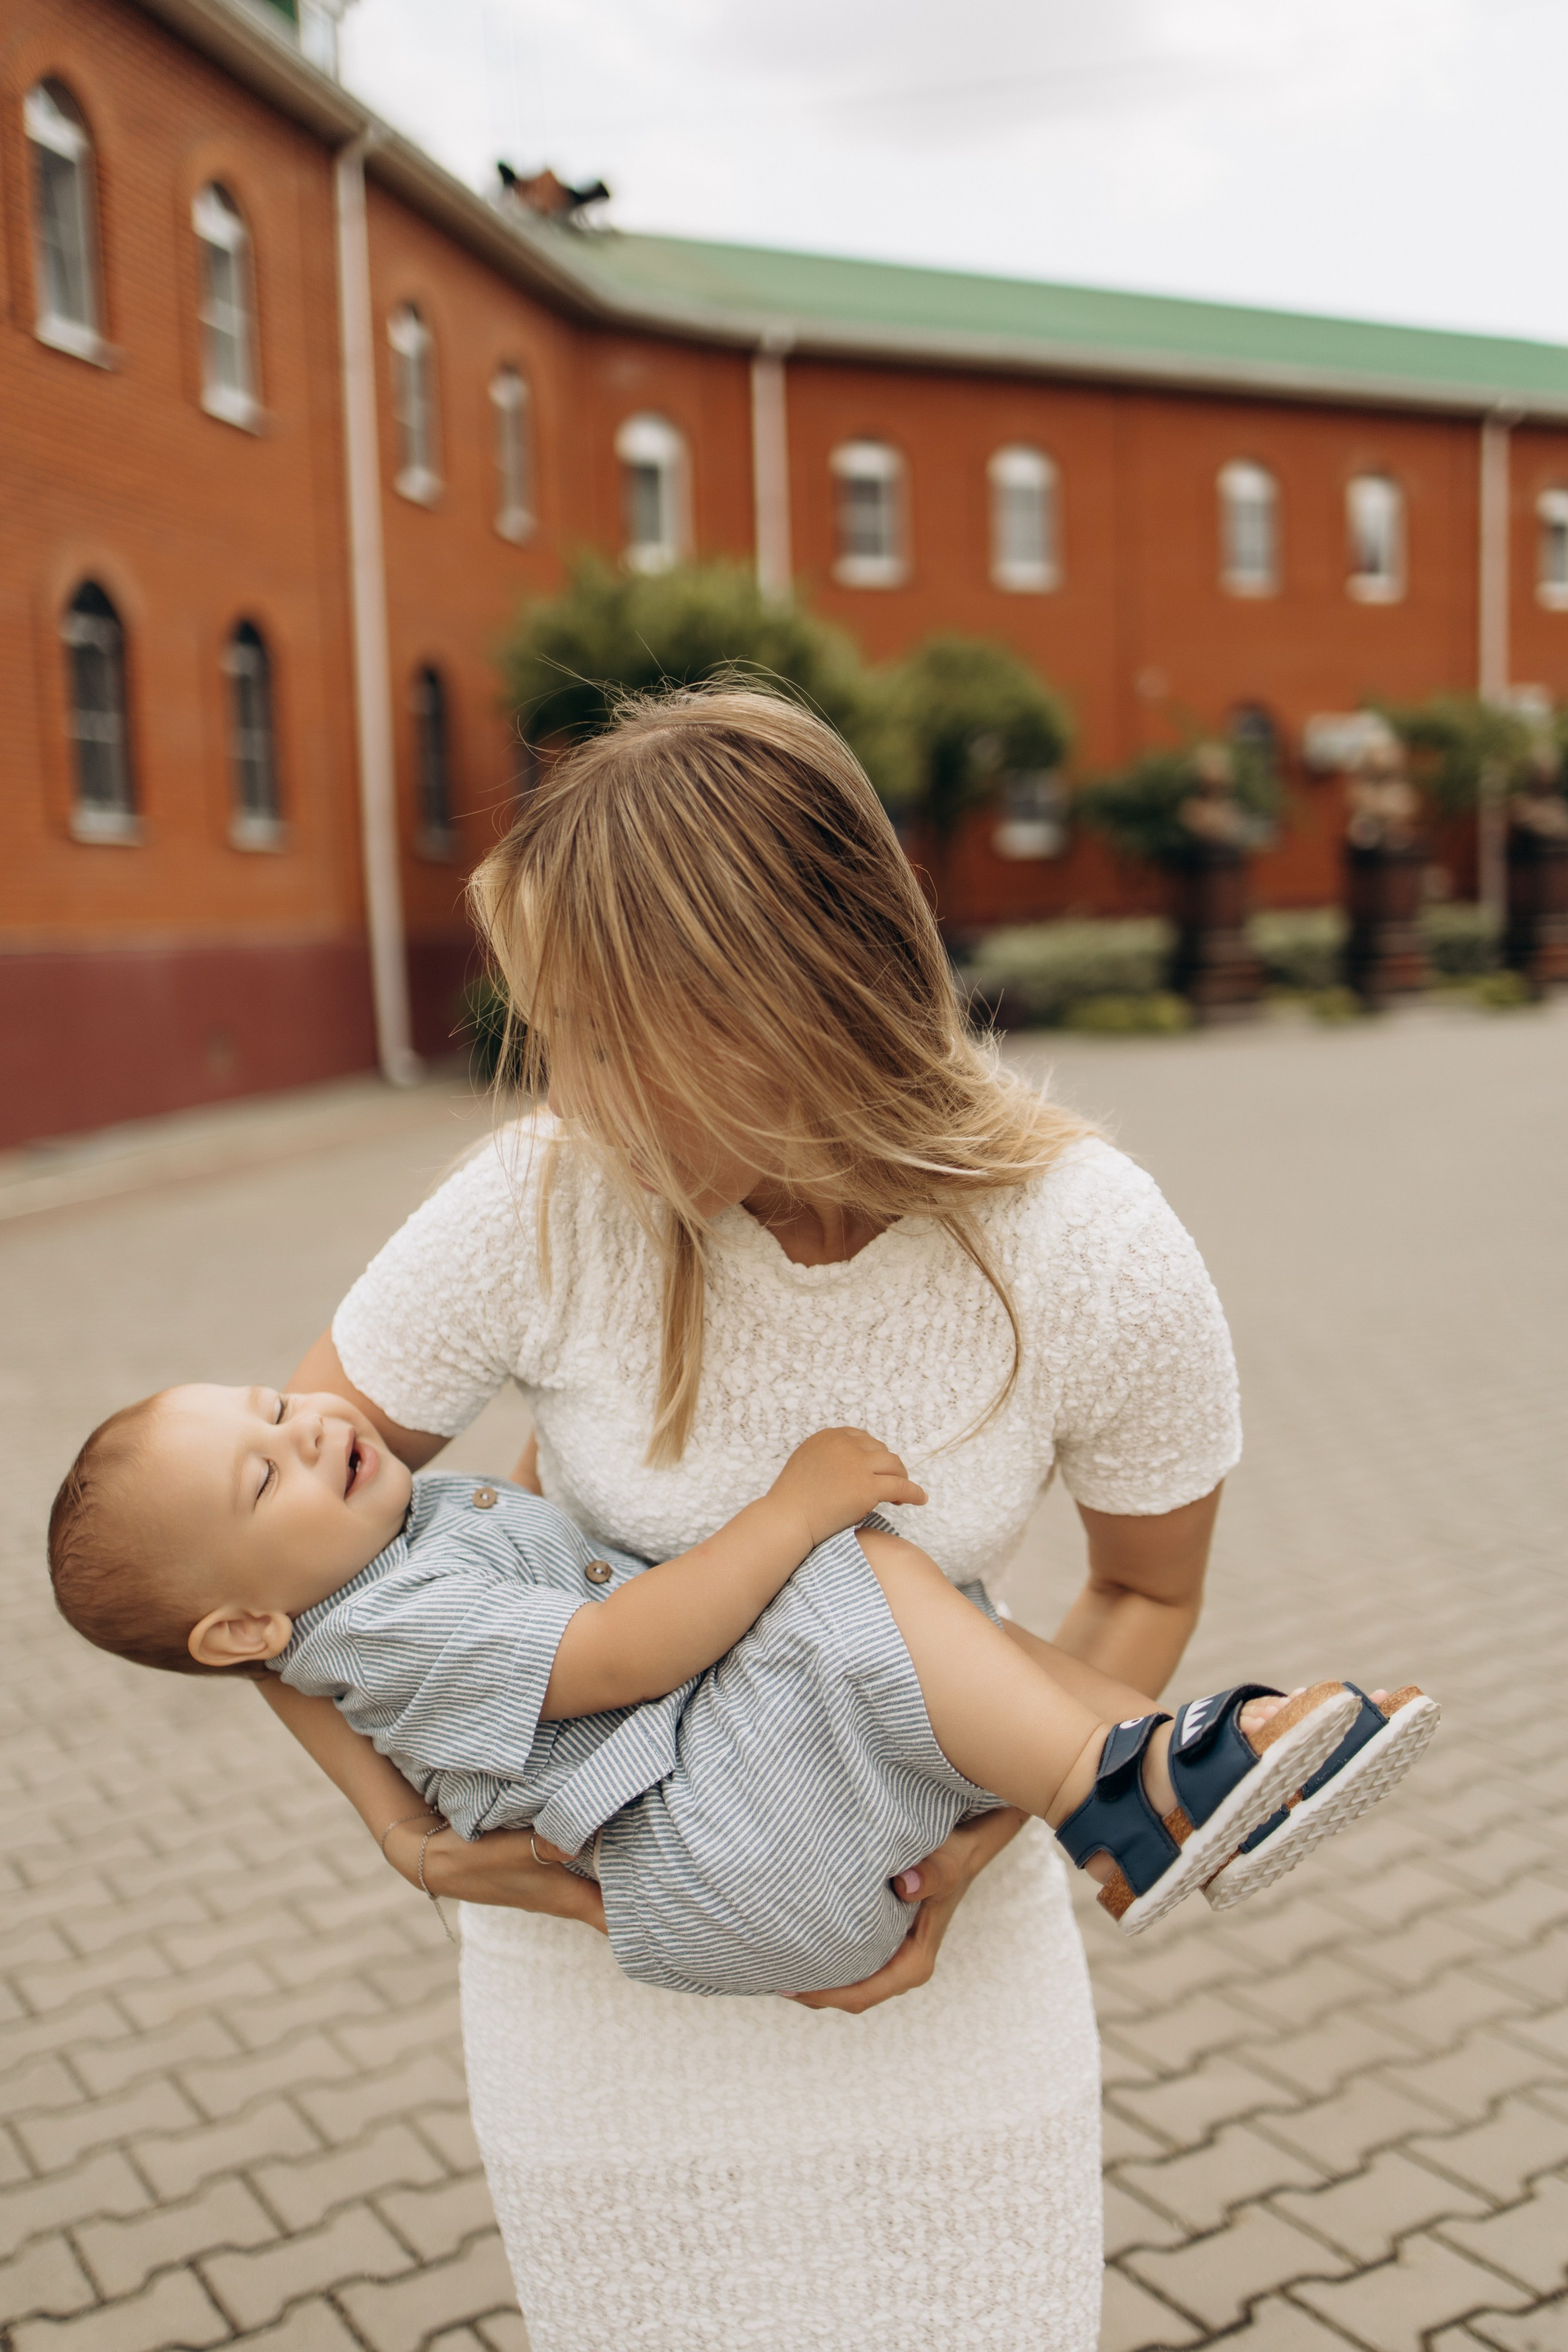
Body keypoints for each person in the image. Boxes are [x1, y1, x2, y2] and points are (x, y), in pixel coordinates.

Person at [230, 686, 1335, 2348]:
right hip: (598, 1978)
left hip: (930, 1965)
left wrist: (970, 1846)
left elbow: (1141, 1590)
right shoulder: (543, 1202)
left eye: (603, 1041)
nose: (573, 1099)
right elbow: (239, 1556)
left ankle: (1152, 1800)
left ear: (771, 1004)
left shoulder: (1091, 1247)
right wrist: (390, 1822)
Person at [50, 1390, 1434, 1985]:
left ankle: (1179, 1766)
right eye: (263, 1471)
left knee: (946, 1621)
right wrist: (787, 1507)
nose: (311, 1428)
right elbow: (622, 1652)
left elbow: (551, 1560)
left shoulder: (392, 1551)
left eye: (274, 1408)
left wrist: (574, 1418)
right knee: (843, 1574)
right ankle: (1122, 1799)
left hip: (728, 1813)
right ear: (244, 1628)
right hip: (711, 1847)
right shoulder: (386, 1624)